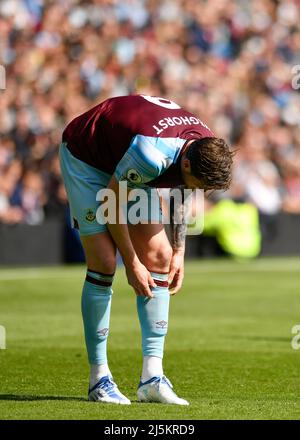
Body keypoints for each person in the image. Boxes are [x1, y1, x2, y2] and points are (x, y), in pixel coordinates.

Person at [59, 94, 233, 405]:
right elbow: (112, 204)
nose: (200, 192)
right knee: (104, 262)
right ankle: (99, 378)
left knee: (161, 257)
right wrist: (131, 263)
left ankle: (152, 378)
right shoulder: (152, 156)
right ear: (187, 162)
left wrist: (179, 251)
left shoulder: (203, 145)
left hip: (127, 160)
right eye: (199, 182)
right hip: (87, 158)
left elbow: (185, 189)